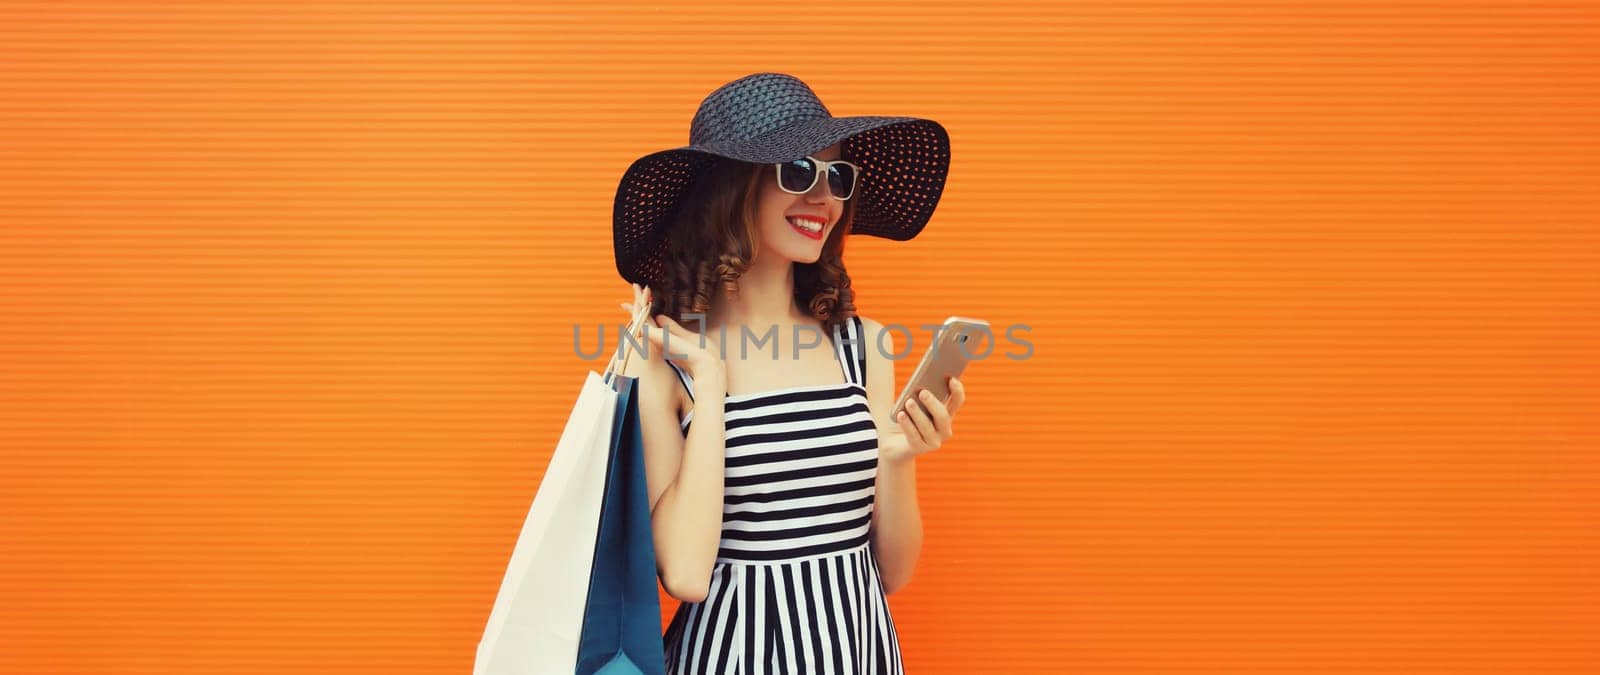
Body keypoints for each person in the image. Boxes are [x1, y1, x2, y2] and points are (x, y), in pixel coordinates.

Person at [611, 72, 967, 675]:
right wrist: (711, 376)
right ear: (730, 191)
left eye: (838, 177)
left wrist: (900, 456)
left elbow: (894, 574)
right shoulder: (663, 359)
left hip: (859, 653)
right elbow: (686, 574)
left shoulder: (865, 346)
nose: (825, 198)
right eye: (799, 172)